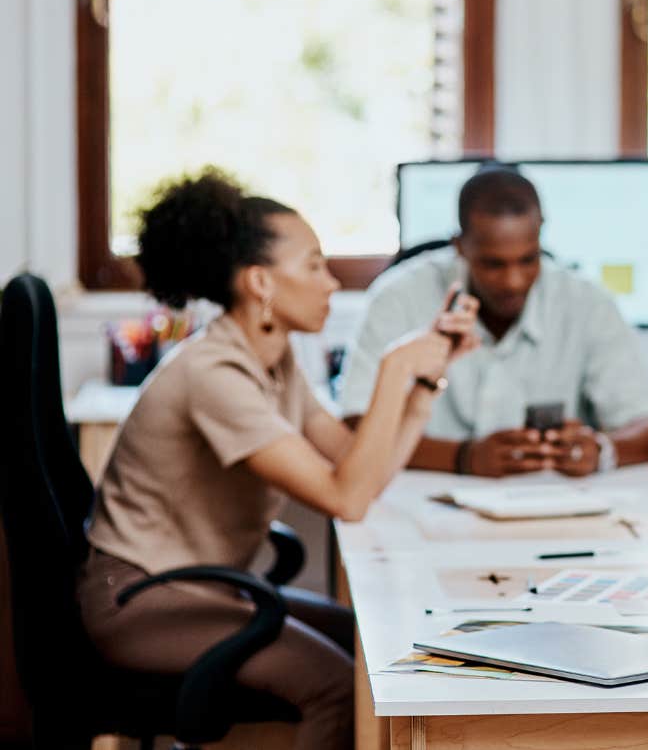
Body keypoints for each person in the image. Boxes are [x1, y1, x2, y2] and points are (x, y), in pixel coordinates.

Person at [78, 169, 480, 750]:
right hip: (141, 603)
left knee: (375, 645)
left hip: (201, 590)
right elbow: (346, 497)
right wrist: (393, 370)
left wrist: (422, 383)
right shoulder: (214, 374)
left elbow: (360, 469)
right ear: (261, 282)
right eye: (314, 265)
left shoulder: (274, 359)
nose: (332, 283)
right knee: (341, 685)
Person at [338, 165, 648, 477]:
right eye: (494, 264)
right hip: (421, 505)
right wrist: (462, 457)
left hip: (552, 510)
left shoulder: (588, 302)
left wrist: (599, 451)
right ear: (460, 247)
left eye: (528, 259)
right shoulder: (398, 297)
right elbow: (354, 426)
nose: (513, 281)